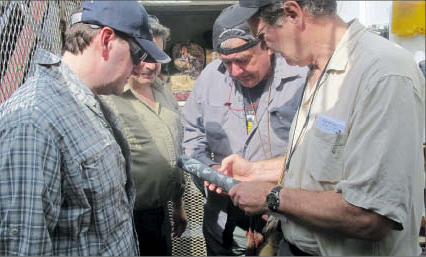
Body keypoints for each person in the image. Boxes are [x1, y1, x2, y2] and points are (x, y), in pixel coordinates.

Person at [217, 0, 426, 255]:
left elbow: (370, 216)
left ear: (293, 14)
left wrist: (272, 198)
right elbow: (322, 161)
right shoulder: (318, 69)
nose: (264, 47)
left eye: (261, 35)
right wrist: (256, 170)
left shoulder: (384, 73)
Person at [0, 1, 171, 255]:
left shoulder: (89, 100)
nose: (140, 66)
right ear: (106, 40)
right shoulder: (32, 122)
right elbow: (22, 248)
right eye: (138, 54)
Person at [181, 4, 308, 256]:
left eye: (243, 60)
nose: (235, 72)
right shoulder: (209, 78)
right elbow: (191, 136)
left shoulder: (301, 76)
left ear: (267, 46)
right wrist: (211, 171)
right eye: (227, 63)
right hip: (224, 223)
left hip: (283, 222)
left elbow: (315, 156)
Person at [101, 16, 187, 256]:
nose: (149, 65)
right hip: (127, 220)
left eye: (156, 57)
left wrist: (178, 206)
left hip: (162, 212)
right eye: (142, 56)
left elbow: (175, 155)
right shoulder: (108, 100)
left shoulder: (165, 93)